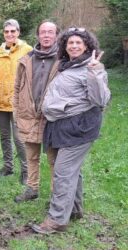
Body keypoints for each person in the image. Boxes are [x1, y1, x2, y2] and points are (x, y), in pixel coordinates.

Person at [32, 27, 110, 234]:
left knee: (63, 172)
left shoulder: (91, 68)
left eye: (78, 43)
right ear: (64, 47)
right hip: (62, 126)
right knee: (70, 170)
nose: (74, 46)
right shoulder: (68, 66)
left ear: (87, 46)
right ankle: (74, 209)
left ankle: (56, 220)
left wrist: (96, 72)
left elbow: (100, 100)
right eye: (70, 43)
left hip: (79, 127)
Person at [13, 21, 59, 202]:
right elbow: (17, 88)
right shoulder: (27, 59)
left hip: (51, 118)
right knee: (31, 156)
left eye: (50, 32)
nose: (46, 35)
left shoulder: (62, 60)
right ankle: (32, 189)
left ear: (56, 35)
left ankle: (56, 196)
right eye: (43, 32)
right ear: (38, 35)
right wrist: (17, 111)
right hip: (29, 116)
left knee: (54, 160)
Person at [0, 19, 31, 183]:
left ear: (18, 32)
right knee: (4, 137)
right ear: (3, 33)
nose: (10, 34)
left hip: (18, 103)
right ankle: (8, 166)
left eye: (13, 31)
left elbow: (32, 76)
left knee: (19, 138)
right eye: (7, 32)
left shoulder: (27, 50)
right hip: (0, 102)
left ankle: (26, 171)